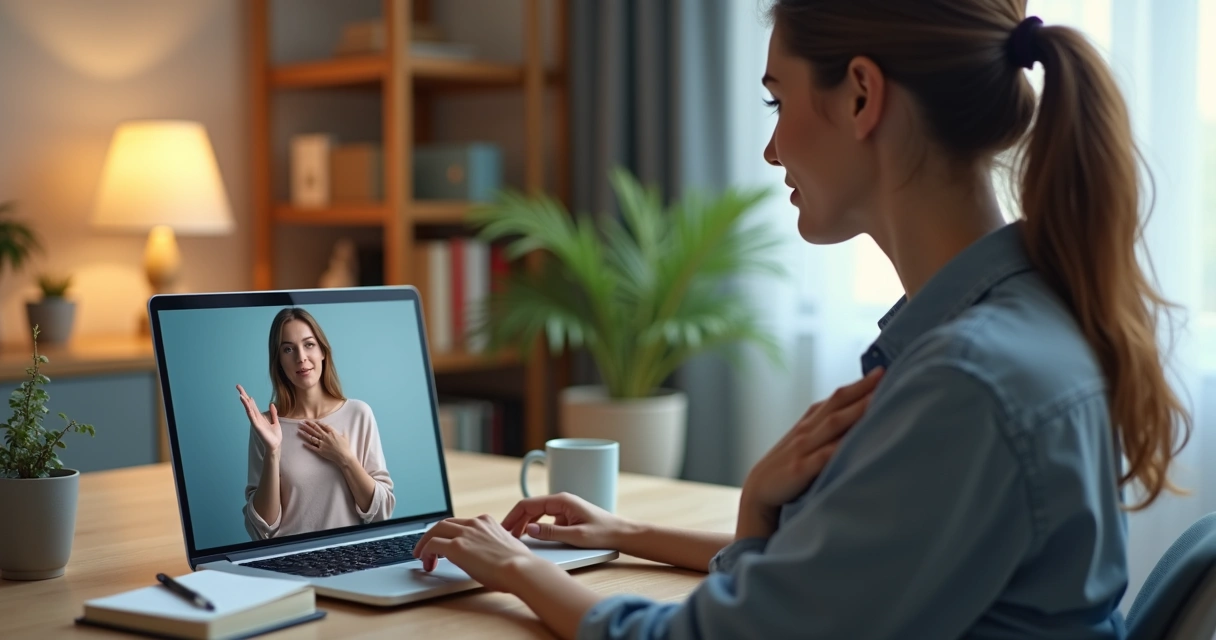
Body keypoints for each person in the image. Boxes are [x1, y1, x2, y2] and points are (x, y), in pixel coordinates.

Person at [410, 1, 1193, 638]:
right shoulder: (1025, 319)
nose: (772, 147)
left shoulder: (968, 383)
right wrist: (644, 529)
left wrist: (516, 568)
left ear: (861, 94)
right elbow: (838, 585)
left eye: (778, 101)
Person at [240, 307, 395, 540]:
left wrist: (346, 458)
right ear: (279, 361)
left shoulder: (359, 414)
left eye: (309, 344)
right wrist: (273, 451)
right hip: (288, 561)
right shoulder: (266, 425)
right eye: (288, 349)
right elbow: (261, 530)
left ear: (323, 351)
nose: (301, 357)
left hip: (351, 557)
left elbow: (383, 512)